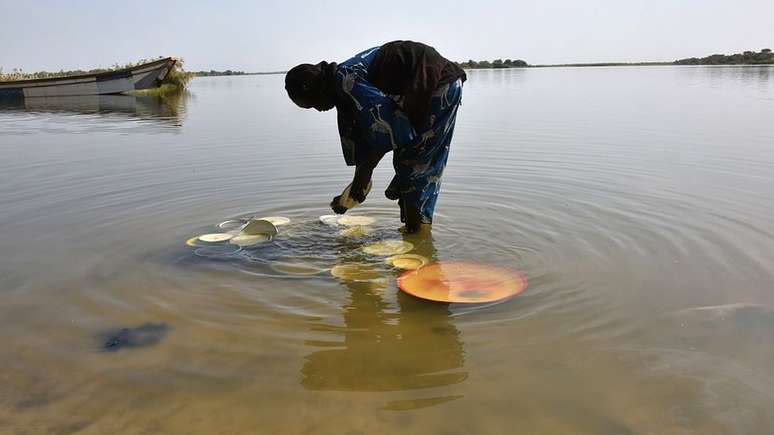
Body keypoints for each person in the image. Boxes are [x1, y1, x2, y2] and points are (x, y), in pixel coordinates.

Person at [285, 40, 466, 233]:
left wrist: (362, 178)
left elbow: (386, 129)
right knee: (409, 163)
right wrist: (355, 187)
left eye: (313, 103)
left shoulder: (347, 80)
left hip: (438, 85)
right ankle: (414, 231)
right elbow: (369, 135)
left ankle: (417, 236)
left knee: (416, 166)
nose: (319, 109)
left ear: (315, 89)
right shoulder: (340, 83)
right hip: (421, 89)